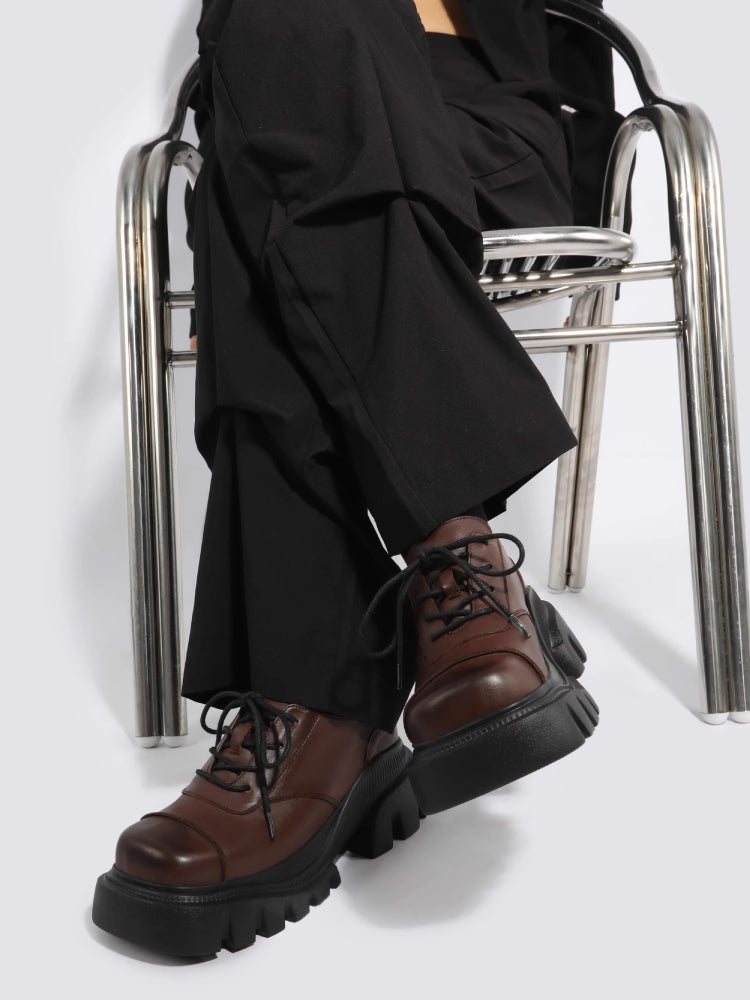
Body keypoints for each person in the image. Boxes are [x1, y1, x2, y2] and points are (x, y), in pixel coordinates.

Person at [93, 0, 614, 957]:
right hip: (286, 99)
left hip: (480, 128)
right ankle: (461, 563)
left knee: (255, 199)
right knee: (279, 108)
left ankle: (318, 707)